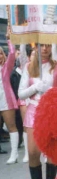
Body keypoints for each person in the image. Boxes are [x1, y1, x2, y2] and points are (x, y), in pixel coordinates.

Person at [18, 43, 57, 179]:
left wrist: (50, 91)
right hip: (33, 111)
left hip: (52, 110)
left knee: (52, 153)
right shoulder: (29, 67)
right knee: (33, 153)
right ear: (35, 49)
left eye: (47, 46)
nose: (44, 49)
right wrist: (35, 87)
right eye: (40, 46)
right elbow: (20, 93)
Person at [0, 28, 19, 165]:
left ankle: (14, 153)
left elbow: (12, 53)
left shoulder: (6, 67)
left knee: (11, 126)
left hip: (6, 100)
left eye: (0, 53)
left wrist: (9, 39)